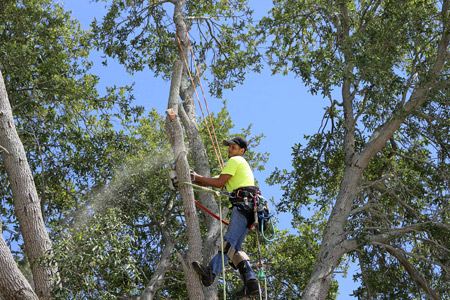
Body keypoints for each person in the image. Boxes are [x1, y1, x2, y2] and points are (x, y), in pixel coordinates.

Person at [191, 136, 260, 297]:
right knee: (235, 249)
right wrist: (194, 178)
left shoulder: (236, 161)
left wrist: (196, 178)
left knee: (228, 243)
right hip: (250, 208)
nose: (230, 150)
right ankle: (251, 283)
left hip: (243, 206)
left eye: (233, 147)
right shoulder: (237, 166)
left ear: (241, 151)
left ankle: (211, 272)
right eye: (229, 147)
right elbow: (212, 181)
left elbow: (218, 183)